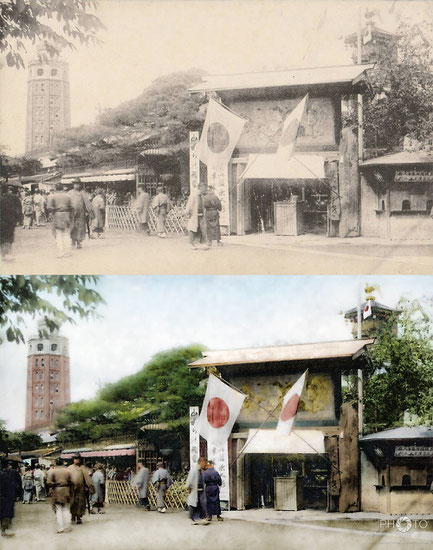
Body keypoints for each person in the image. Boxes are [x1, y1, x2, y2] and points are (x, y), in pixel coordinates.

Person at [47, 457, 73, 534]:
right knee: (67, 509)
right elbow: (72, 481)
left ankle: (60, 527)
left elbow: (49, 482)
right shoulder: (68, 471)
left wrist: (54, 484)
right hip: (66, 490)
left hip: (57, 490)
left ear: (55, 463)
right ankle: (67, 527)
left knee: (58, 510)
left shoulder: (53, 471)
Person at [46, 183, 72, 258]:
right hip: (66, 214)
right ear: (63, 188)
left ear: (56, 188)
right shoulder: (68, 196)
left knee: (58, 234)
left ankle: (60, 252)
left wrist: (54, 210)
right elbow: (72, 206)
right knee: (66, 233)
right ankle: (67, 252)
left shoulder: (53, 196)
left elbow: (49, 207)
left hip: (57, 215)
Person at [67, 453, 95, 524]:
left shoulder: (83, 468)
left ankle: (79, 517)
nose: (76, 460)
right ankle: (73, 515)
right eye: (75, 459)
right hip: (72, 489)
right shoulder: (69, 468)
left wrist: (90, 487)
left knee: (80, 503)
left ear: (80, 460)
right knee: (72, 502)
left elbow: (88, 479)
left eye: (77, 459)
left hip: (81, 489)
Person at [68, 178, 92, 248]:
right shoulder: (69, 193)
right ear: (73, 185)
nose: (76, 185)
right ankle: (73, 241)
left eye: (78, 184)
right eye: (75, 184)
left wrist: (90, 212)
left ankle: (79, 242)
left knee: (80, 228)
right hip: (72, 214)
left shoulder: (83, 193)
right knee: (72, 227)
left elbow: (88, 204)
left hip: (81, 214)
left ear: (80, 184)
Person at [0, 184, 21, 262]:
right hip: (8, 222)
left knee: (2, 239)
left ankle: (3, 255)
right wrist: (17, 219)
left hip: (3, 221)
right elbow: (14, 211)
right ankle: (6, 255)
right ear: (7, 190)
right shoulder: (8, 200)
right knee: (8, 239)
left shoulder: (4, 199)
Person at [186, 457, 209, 525]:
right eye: (204, 463)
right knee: (194, 504)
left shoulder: (201, 470)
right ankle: (194, 519)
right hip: (194, 490)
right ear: (200, 462)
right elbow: (189, 481)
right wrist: (188, 487)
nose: (205, 465)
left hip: (201, 490)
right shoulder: (193, 470)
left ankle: (200, 518)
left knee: (201, 504)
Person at [185, 183, 208, 250]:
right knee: (192, 229)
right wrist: (187, 212)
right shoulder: (193, 195)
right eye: (204, 188)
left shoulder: (202, 196)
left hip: (201, 215)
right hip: (194, 215)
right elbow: (189, 205)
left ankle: (203, 243)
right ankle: (191, 243)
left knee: (203, 229)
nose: (205, 190)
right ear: (200, 188)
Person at [0, 461, 19, 537]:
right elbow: (10, 487)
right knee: (4, 514)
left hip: (4, 496)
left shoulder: (4, 474)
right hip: (5, 497)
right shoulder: (5, 475)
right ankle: (3, 530)